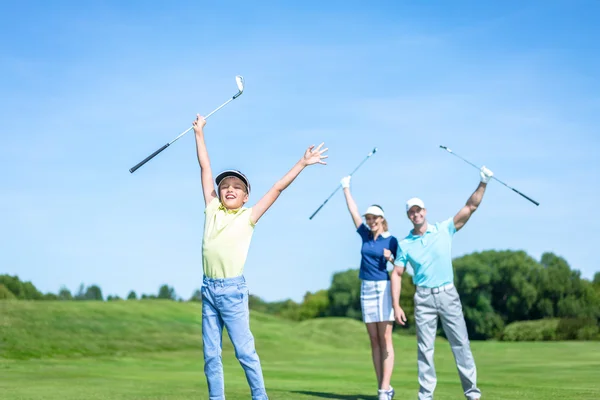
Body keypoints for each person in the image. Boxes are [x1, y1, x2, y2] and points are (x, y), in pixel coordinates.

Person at [193, 114, 328, 400]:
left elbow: (277, 187)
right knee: (210, 355)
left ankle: (260, 397)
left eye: (237, 187)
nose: (230, 189)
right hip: (208, 290)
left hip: (232, 291)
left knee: (244, 351)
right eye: (225, 186)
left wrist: (302, 163)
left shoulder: (248, 216)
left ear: (245, 197)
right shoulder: (212, 209)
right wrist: (199, 133)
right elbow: (205, 168)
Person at [390, 166, 494, 400]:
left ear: (425, 211)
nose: (415, 214)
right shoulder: (405, 244)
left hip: (448, 294)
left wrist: (483, 182)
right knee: (424, 349)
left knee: (460, 344)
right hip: (424, 298)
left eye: (418, 210)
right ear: (409, 216)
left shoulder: (444, 229)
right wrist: (396, 305)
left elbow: (470, 207)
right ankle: (425, 396)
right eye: (411, 212)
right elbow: (396, 274)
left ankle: (472, 393)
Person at [340, 175, 407, 400]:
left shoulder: (392, 240)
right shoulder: (365, 235)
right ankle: (384, 388)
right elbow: (353, 212)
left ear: (382, 218)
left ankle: (383, 389)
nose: (370, 221)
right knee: (374, 340)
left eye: (374, 217)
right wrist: (346, 188)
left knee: (385, 338)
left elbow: (401, 268)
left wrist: (390, 259)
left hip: (384, 288)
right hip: (366, 288)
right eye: (369, 218)